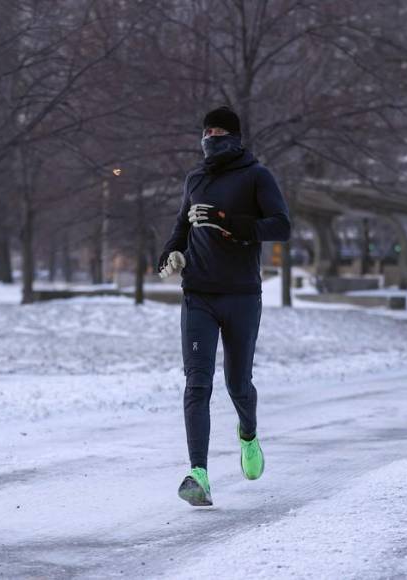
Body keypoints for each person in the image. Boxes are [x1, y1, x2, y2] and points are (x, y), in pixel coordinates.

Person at [158, 106, 291, 506]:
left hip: (242, 295)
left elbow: (281, 226)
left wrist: (226, 220)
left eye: (217, 131)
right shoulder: (195, 177)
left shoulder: (256, 176)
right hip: (198, 292)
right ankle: (198, 473)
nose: (209, 137)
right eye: (205, 131)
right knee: (197, 383)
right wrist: (170, 256)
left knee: (238, 384)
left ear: (234, 136)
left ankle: (248, 435)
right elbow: (181, 227)